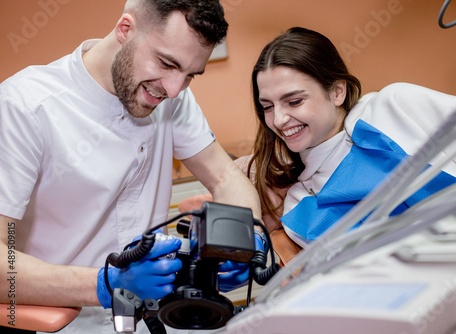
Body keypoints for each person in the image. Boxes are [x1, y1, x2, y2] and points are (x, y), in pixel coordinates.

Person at [0, 1, 261, 333]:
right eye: (167, 63)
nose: (174, 89)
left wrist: (246, 237)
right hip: (70, 322)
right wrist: (105, 283)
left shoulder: (170, 96)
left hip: (159, 316)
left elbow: (224, 175)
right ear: (126, 29)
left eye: (189, 75)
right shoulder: (25, 107)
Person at [245, 27, 456, 255]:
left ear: (337, 92)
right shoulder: (300, 208)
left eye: (294, 101)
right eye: (267, 106)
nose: (278, 119)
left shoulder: (394, 107)